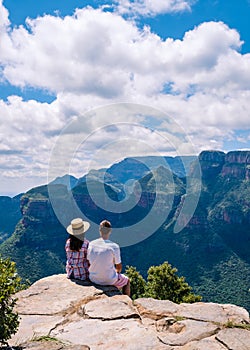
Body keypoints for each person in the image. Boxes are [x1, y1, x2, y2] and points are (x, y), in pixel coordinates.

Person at [87, 220, 130, 296]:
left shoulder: (91, 244)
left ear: (100, 230)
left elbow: (88, 261)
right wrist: (115, 272)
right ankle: (127, 301)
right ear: (110, 231)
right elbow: (119, 267)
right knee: (127, 280)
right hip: (110, 280)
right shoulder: (114, 246)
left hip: (93, 278)